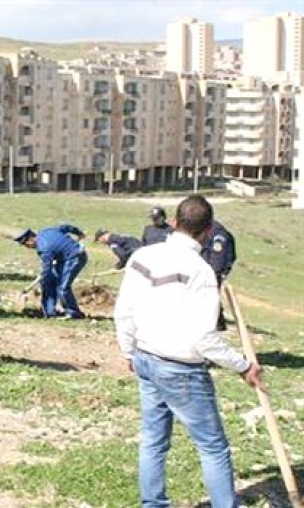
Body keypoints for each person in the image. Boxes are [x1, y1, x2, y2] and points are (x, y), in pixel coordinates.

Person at [114, 194, 264, 508]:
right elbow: (204, 339)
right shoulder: (201, 271)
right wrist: (243, 366)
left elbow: (124, 310)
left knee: (154, 441)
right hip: (181, 369)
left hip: (145, 357)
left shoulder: (143, 256)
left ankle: (152, 504)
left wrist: (128, 351)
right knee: (213, 448)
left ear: (173, 222)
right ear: (208, 230)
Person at [14, 224, 88, 319]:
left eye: (26, 245)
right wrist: (79, 232)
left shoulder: (44, 249)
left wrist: (43, 276)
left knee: (63, 287)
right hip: (64, 258)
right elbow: (66, 226)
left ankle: (74, 313)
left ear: (31, 239)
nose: (28, 248)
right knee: (48, 282)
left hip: (75, 257)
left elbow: (47, 268)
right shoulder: (46, 231)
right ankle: (49, 312)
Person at [201, 220, 237, 332]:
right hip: (205, 272)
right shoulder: (205, 230)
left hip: (212, 273)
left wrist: (213, 276)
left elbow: (218, 259)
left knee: (210, 299)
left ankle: (218, 325)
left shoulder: (218, 234)